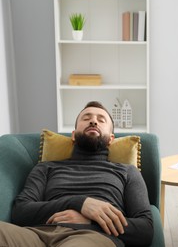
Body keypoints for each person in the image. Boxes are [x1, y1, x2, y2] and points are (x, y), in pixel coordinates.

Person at [0, 101, 153, 247]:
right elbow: (20, 211)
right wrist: (79, 203)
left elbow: (145, 229)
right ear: (73, 135)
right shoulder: (46, 168)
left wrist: (92, 221)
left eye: (101, 120)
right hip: (36, 235)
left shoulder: (126, 172)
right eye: (86, 118)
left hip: (91, 236)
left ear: (111, 139)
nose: (93, 121)